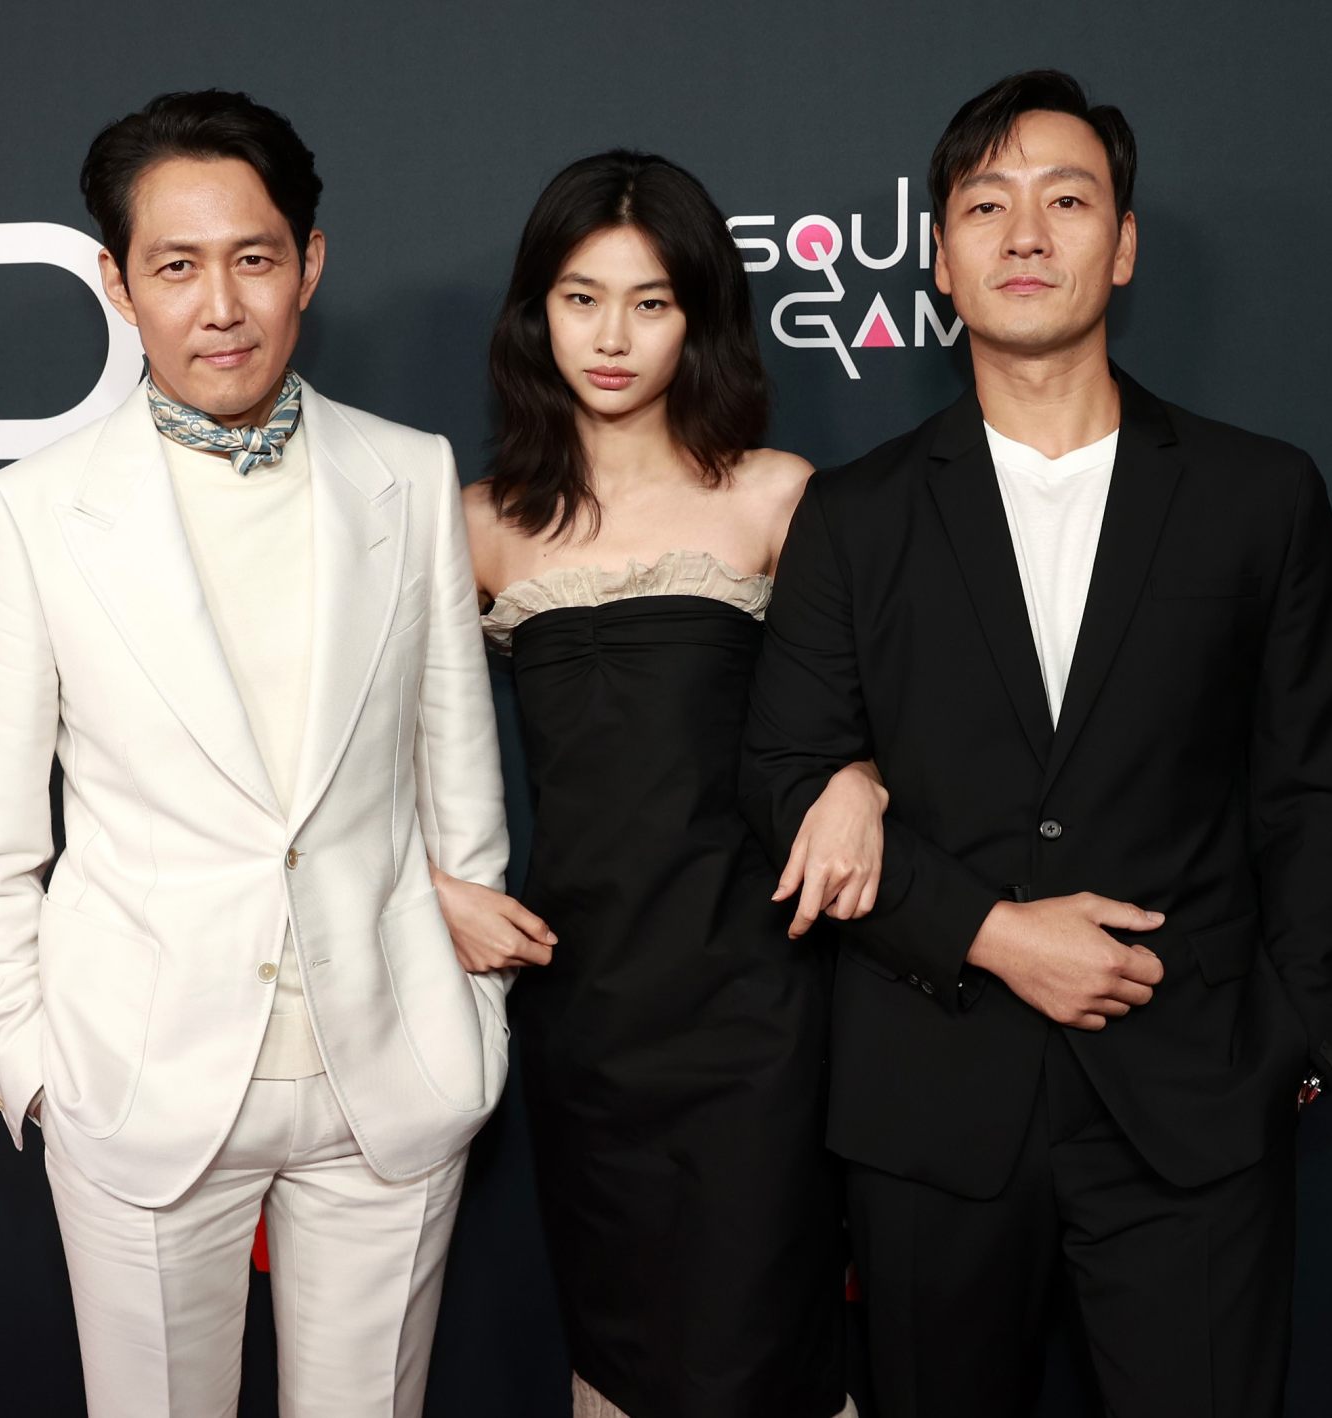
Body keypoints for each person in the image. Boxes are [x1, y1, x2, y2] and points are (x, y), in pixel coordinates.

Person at [741, 70, 1332, 1418]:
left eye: (1067, 199)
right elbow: (787, 773)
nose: (1026, 234)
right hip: (933, 1105)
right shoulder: (853, 516)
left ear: (1124, 242)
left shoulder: (1260, 494)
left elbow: (1313, 783)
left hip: (1193, 1099)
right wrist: (989, 929)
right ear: (940, 258)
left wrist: (1296, 1031)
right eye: (987, 204)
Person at [0, 89, 510, 1418]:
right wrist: (31, 1063)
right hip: (139, 1081)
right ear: (118, 284)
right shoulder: (30, 513)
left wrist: (466, 1019)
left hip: (390, 1074)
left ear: (311, 261)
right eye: (176, 267)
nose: (221, 306)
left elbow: (455, 767)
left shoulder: (406, 474)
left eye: (253, 258)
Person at [436, 150, 879, 1418]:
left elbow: (897, 709)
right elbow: (347, 752)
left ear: (699, 316)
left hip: (758, 998)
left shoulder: (775, 496)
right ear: (537, 314)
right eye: (581, 298)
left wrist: (863, 778)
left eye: (650, 301)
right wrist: (429, 882)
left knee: (766, 1343)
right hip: (586, 1005)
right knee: (623, 1351)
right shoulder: (481, 522)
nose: (612, 337)